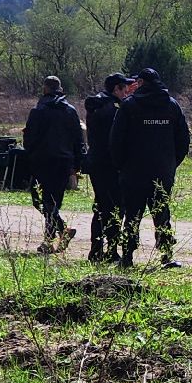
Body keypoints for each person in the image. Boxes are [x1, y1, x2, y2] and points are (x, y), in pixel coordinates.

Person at [110, 68, 189, 269]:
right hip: (162, 171)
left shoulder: (129, 106)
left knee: (132, 215)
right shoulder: (171, 106)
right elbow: (183, 140)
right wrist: (170, 164)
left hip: (133, 172)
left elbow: (116, 140)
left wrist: (122, 166)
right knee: (162, 212)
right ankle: (166, 255)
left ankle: (127, 257)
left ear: (142, 83)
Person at [22, 75, 85, 255]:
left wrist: (30, 156)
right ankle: (56, 236)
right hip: (64, 162)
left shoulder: (38, 110)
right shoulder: (71, 111)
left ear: (45, 89)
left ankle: (55, 236)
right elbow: (78, 140)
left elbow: (29, 139)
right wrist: (77, 164)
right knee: (53, 202)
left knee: (40, 200)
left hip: (43, 162)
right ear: (60, 88)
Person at [82, 73, 131, 263]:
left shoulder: (97, 106)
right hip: (111, 164)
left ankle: (96, 251)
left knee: (101, 207)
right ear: (116, 89)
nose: (126, 92)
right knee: (116, 208)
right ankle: (111, 251)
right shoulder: (114, 109)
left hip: (96, 164)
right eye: (124, 88)